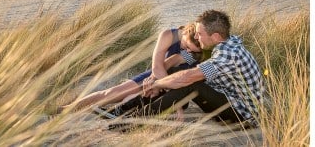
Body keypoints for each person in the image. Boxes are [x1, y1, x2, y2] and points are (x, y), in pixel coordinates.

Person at [106, 10, 264, 127]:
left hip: (242, 116)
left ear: (215, 36)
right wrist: (155, 79)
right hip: (226, 100)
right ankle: (122, 110)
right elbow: (176, 61)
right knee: (174, 74)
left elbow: (187, 78)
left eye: (200, 34)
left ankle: (132, 122)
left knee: (190, 84)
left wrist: (156, 84)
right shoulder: (222, 43)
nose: (196, 37)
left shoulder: (227, 55)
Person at [61, 23, 203, 112]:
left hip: (175, 87)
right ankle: (67, 109)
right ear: (185, 32)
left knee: (132, 98)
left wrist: (164, 89)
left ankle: (113, 111)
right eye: (186, 46)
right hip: (156, 76)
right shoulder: (168, 35)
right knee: (110, 93)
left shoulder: (195, 51)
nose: (188, 51)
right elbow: (158, 66)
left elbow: (176, 69)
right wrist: (155, 82)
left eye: (192, 50)